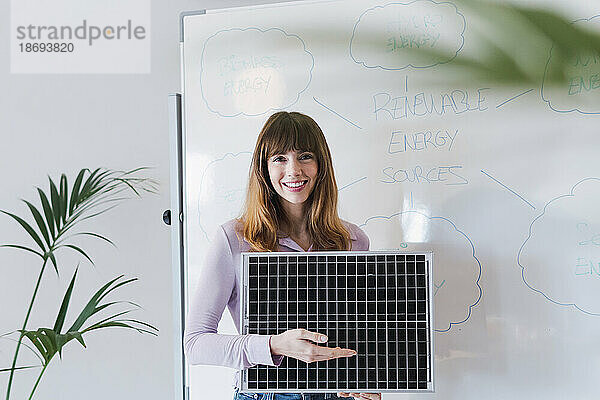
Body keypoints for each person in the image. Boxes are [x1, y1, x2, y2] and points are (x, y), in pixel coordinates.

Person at [184, 112, 381, 400]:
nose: (294, 170)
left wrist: (366, 380)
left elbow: (360, 332)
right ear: (264, 169)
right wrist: (274, 345)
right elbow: (196, 343)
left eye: (305, 156)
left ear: (321, 165)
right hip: (265, 394)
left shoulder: (353, 241)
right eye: (279, 158)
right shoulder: (235, 239)